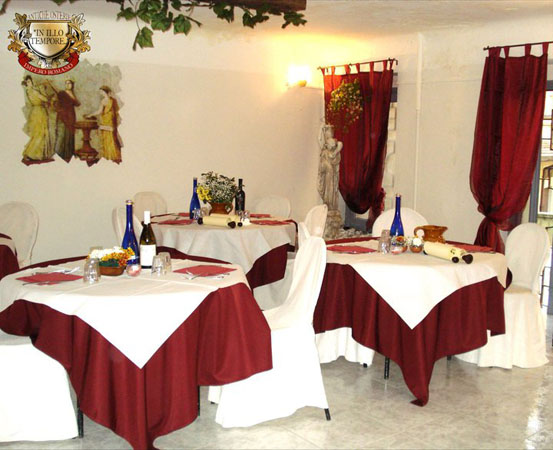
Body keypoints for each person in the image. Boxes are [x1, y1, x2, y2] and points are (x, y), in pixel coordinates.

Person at [21, 75, 53, 164]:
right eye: (28, 82)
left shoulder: (28, 91)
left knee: (37, 133)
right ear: (27, 83)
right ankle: (32, 154)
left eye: (30, 81)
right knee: (40, 133)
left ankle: (33, 154)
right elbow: (45, 99)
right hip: (39, 112)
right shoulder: (34, 91)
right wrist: (43, 89)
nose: (30, 83)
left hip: (35, 112)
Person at [86, 86, 122, 163]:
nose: (101, 93)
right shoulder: (104, 101)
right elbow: (100, 111)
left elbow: (116, 111)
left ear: (106, 92)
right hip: (105, 120)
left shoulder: (112, 100)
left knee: (111, 138)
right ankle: (108, 156)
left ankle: (113, 156)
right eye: (100, 92)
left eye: (102, 92)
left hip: (110, 120)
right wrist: (91, 114)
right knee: (106, 138)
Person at [48, 79, 80, 163]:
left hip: (71, 116)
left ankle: (68, 154)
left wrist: (71, 95)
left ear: (72, 85)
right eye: (66, 83)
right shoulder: (62, 93)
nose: (68, 85)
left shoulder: (72, 93)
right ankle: (58, 153)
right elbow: (56, 93)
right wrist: (50, 84)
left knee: (70, 134)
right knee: (61, 135)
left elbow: (77, 104)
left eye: (69, 83)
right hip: (63, 116)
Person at [318, 124, 343, 210]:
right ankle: (328, 205)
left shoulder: (335, 153)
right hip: (326, 177)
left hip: (332, 177)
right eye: (329, 144)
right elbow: (319, 139)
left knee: (332, 192)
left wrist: (335, 152)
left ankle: (331, 206)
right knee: (327, 193)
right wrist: (321, 129)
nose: (330, 146)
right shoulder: (324, 151)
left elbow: (340, 144)